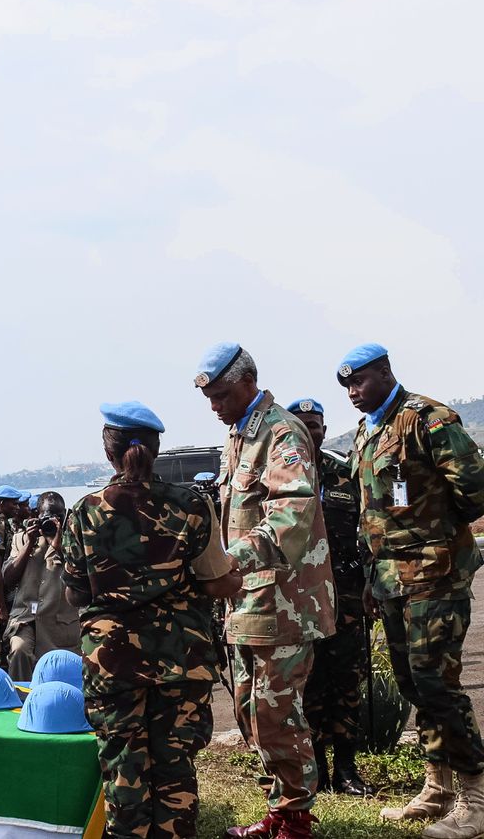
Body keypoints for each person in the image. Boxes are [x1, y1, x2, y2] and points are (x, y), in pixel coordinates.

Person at [62, 401, 241, 839]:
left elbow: (75, 593)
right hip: (181, 657)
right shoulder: (192, 506)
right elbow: (217, 581)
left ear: (109, 451)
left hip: (112, 661)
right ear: (156, 450)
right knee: (175, 765)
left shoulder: (84, 512)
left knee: (124, 766)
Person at [336, 344, 484, 835]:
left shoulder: (427, 418)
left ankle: (476, 797)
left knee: (437, 684)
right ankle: (437, 787)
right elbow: (373, 512)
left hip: (436, 576)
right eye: (347, 386)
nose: (354, 393)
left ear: (385, 372)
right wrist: (373, 581)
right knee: (411, 682)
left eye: (360, 381)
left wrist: (438, 537)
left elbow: (476, 487)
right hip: (391, 581)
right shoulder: (366, 431)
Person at [194, 343, 335, 839]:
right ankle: (279, 807)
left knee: (278, 713)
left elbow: (292, 512)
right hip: (249, 602)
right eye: (209, 397)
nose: (214, 406)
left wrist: (232, 560)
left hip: (286, 603)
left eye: (221, 395)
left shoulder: (281, 432)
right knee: (251, 711)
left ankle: (296, 819)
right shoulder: (239, 436)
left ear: (248, 382)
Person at [287, 398, 375, 797]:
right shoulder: (282, 477)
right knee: (310, 686)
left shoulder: (344, 474)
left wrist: (372, 582)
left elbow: (369, 530)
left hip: (347, 600)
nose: (313, 431)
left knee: (347, 684)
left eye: (318, 425)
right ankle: (317, 770)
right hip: (301, 602)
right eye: (304, 425)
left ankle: (347, 770)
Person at [3, 491, 79, 681]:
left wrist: (58, 548)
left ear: (66, 516)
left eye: (57, 518)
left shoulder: (74, 541)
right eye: (47, 518)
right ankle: (21, 700)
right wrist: (29, 544)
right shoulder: (21, 538)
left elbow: (80, 577)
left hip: (59, 622)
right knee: (19, 650)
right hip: (26, 618)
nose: (52, 523)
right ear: (37, 516)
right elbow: (8, 578)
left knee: (59, 672)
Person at [0, 485, 29, 668]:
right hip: (0, 593)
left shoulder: (5, 523)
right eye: (13, 504)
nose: (17, 507)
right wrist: (1, 606)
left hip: (4, 590)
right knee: (1, 648)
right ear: (1, 503)